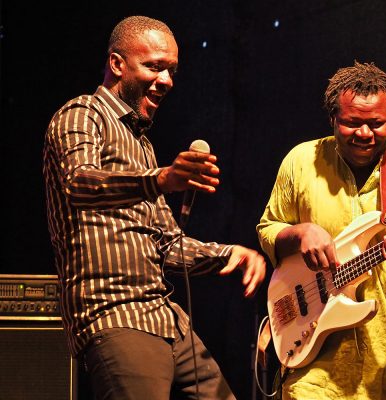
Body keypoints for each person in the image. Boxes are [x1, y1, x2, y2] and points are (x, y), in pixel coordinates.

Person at [43, 15, 266, 400]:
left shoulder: (142, 145)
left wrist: (229, 254)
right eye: (154, 66)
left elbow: (168, 246)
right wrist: (160, 179)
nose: (166, 80)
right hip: (116, 313)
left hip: (167, 318)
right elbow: (78, 183)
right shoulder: (82, 114)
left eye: (171, 70)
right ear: (117, 64)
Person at [257, 61, 386, 399]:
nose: (364, 133)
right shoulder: (300, 161)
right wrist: (301, 232)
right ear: (333, 120)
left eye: (376, 123)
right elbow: (269, 228)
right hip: (317, 375)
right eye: (352, 122)